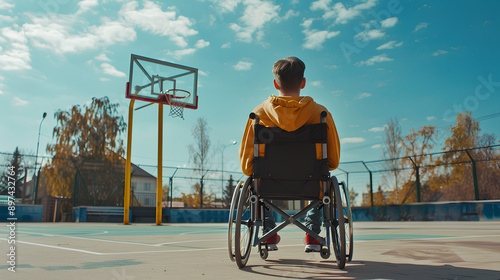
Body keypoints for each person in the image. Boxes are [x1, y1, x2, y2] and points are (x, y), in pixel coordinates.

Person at [239, 57, 341, 252]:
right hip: (311, 183)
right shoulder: (320, 113)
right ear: (303, 82)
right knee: (320, 177)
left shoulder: (258, 114)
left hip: (268, 183)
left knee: (257, 181)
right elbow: (333, 161)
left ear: (276, 83)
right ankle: (312, 234)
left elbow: (247, 165)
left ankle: (268, 234)